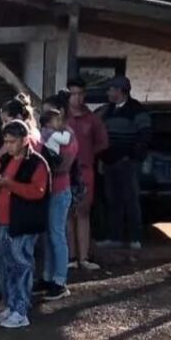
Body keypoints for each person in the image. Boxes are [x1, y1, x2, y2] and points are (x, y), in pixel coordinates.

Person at [0, 120, 50, 329]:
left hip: (22, 224)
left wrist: (8, 184)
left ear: (24, 140)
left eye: (12, 142)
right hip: (4, 222)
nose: (8, 146)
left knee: (20, 266)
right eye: (6, 142)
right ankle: (12, 306)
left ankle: (21, 310)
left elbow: (37, 192)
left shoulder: (37, 163)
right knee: (7, 266)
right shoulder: (6, 160)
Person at [99, 76, 151, 250]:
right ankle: (114, 237)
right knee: (113, 200)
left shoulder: (137, 111)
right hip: (109, 162)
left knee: (130, 199)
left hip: (128, 163)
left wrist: (132, 156)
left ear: (121, 91)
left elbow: (145, 137)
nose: (108, 92)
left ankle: (135, 238)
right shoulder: (108, 110)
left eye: (111, 89)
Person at [65, 78, 109, 271]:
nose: (77, 98)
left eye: (80, 93)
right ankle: (70, 257)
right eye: (73, 93)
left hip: (84, 169)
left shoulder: (92, 119)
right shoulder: (61, 116)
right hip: (64, 171)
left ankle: (83, 257)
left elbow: (103, 143)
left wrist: (88, 154)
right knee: (66, 213)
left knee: (83, 212)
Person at [38, 106, 79, 301]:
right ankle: (49, 277)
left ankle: (59, 280)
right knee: (51, 235)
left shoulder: (64, 136)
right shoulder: (63, 135)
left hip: (59, 188)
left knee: (56, 234)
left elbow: (62, 163)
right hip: (57, 188)